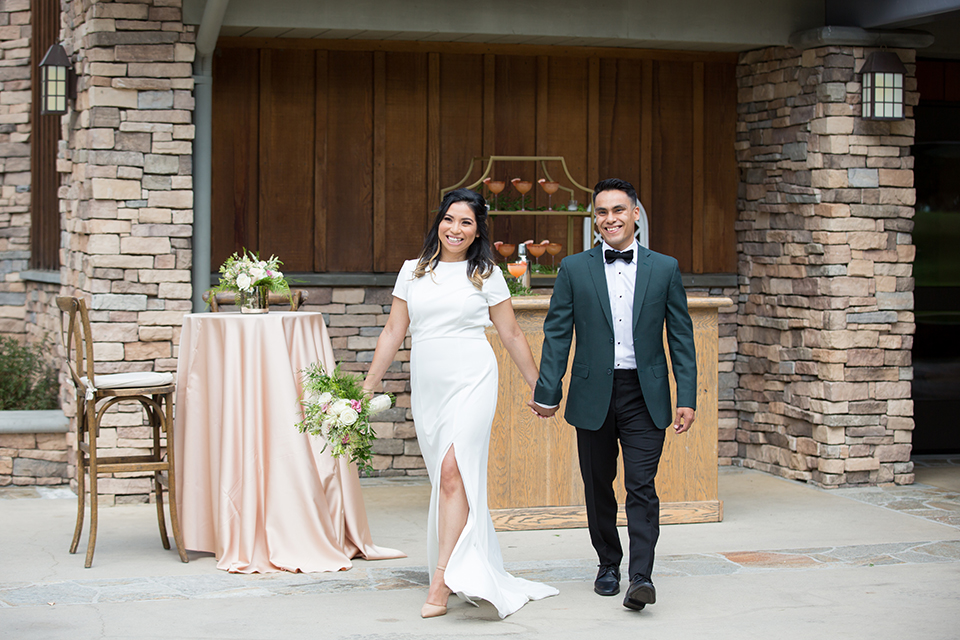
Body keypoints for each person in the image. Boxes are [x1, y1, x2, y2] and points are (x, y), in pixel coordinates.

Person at [362, 188, 559, 619]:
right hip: (429, 386)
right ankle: (464, 563)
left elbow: (509, 333)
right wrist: (368, 385)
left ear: (477, 230)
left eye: (466, 222)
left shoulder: (486, 273)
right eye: (450, 219)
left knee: (455, 472)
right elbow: (395, 330)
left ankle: (440, 581)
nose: (456, 229)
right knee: (448, 481)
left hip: (473, 377)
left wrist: (540, 386)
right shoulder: (412, 272)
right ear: (439, 222)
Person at [530, 178, 697, 611]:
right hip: (593, 394)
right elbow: (557, 334)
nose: (610, 219)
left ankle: (641, 577)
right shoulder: (573, 268)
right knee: (598, 486)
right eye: (602, 212)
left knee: (641, 486)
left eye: (619, 210)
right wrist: (549, 391)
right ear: (595, 220)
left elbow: (681, 336)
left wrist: (687, 396)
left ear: (635, 214)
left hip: (646, 393)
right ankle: (608, 564)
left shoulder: (665, 268)